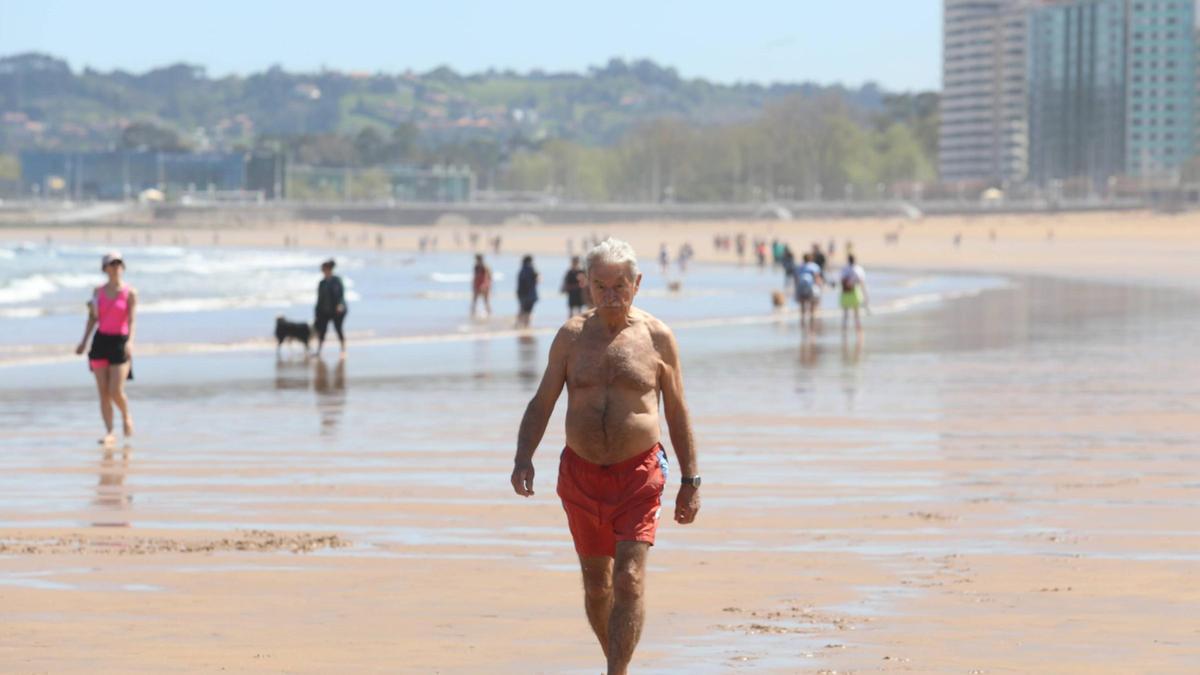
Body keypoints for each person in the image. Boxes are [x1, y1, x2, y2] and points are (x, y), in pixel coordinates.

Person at [510, 238, 700, 675]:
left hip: (639, 475)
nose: (611, 295)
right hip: (580, 476)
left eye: (620, 285)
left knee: (628, 580)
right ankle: (618, 663)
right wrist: (524, 456)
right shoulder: (571, 337)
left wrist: (691, 481)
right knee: (598, 586)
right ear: (586, 285)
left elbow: (677, 410)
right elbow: (542, 401)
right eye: (601, 286)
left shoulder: (657, 338)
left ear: (637, 283)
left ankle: (615, 673)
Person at [75, 251, 137, 447]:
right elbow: (93, 318)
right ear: (105, 268)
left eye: (119, 264)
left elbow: (132, 321)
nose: (116, 267)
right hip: (100, 342)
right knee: (103, 391)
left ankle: (126, 415)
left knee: (115, 390)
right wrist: (83, 341)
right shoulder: (98, 292)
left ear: (123, 267)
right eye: (112, 264)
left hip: (120, 342)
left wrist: (130, 342)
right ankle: (110, 431)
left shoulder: (130, 293)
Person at [314, 259, 347, 358]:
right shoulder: (322, 283)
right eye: (322, 270)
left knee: (338, 329)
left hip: (337, 311)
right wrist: (316, 311)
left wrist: (340, 305)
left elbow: (341, 295)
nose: (323, 271)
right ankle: (319, 351)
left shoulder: (336, 280)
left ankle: (343, 350)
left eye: (324, 269)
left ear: (329, 269)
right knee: (322, 331)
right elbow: (319, 299)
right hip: (324, 311)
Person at [839, 254, 870, 334]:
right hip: (855, 291)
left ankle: (844, 330)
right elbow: (861, 282)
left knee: (845, 314)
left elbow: (841, 280)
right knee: (856, 314)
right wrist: (865, 295)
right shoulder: (858, 269)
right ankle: (858, 330)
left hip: (845, 292)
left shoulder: (844, 269)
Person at [794, 252, 824, 331]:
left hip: (801, 287)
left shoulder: (800, 267)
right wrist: (820, 287)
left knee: (803, 306)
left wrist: (796, 289)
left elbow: (796, 279)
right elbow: (817, 278)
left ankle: (803, 325)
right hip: (811, 287)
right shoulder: (814, 266)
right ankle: (811, 326)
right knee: (812, 307)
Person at [515, 255, 539, 328]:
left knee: (522, 309)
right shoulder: (531, 269)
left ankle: (519, 324)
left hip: (522, 294)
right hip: (530, 294)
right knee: (528, 311)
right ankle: (526, 325)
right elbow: (538, 279)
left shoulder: (521, 270)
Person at [471, 254, 493, 318]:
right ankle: (472, 314)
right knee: (474, 301)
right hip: (477, 285)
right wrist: (474, 285)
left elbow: (487, 277)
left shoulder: (485, 267)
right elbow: (475, 277)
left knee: (485, 301)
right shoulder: (476, 267)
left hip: (484, 285)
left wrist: (485, 286)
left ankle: (489, 314)